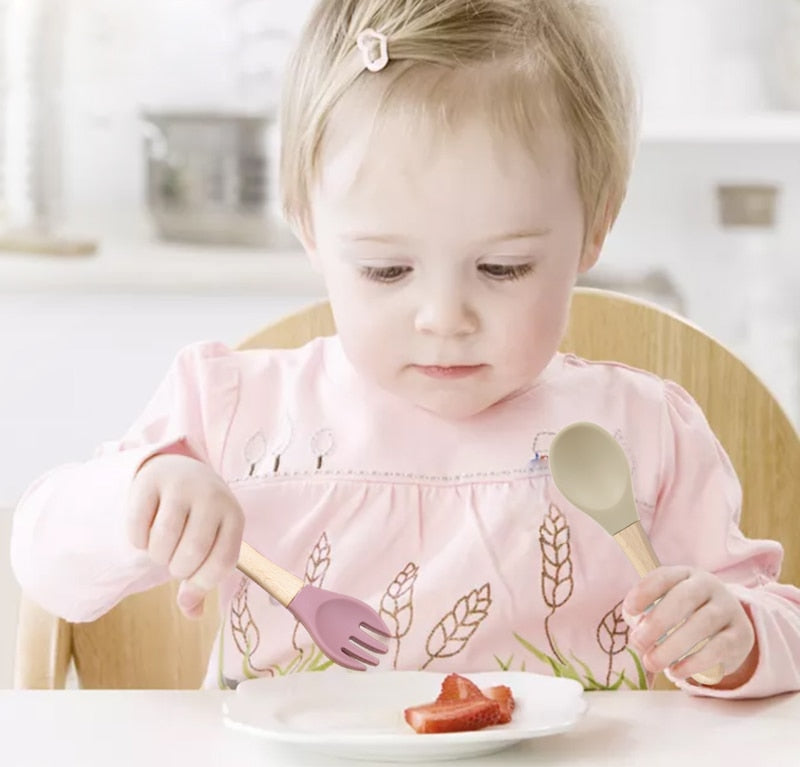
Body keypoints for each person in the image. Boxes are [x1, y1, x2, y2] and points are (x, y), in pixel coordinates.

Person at [11, 0, 800, 695]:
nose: (443, 316)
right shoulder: (231, 410)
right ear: (308, 226)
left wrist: (737, 637)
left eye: (503, 268)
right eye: (387, 269)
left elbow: (781, 628)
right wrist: (139, 496)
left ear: (596, 223)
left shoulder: (642, 431)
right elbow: (46, 563)